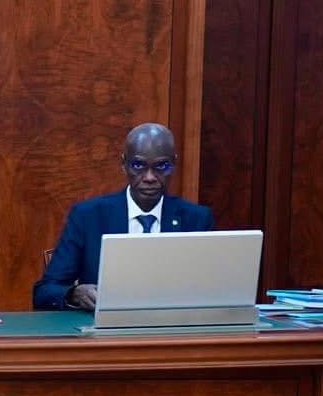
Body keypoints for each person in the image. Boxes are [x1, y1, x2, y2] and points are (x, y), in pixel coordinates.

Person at [33, 122, 215, 310]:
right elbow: (45, 291)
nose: (149, 177)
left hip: (172, 324)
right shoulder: (88, 216)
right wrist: (74, 294)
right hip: (104, 326)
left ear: (174, 164)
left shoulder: (197, 219)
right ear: (124, 164)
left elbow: (212, 290)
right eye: (138, 165)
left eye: (161, 166)